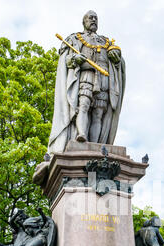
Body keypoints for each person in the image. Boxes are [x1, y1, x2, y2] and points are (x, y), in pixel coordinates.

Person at [48, 10, 125, 153]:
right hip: (86, 76)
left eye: (96, 18)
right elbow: (66, 59)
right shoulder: (75, 38)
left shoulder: (106, 42)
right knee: (83, 105)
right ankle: (81, 134)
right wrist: (74, 59)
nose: (94, 20)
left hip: (104, 79)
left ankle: (95, 146)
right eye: (90, 18)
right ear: (84, 21)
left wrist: (116, 56)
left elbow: (118, 61)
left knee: (98, 113)